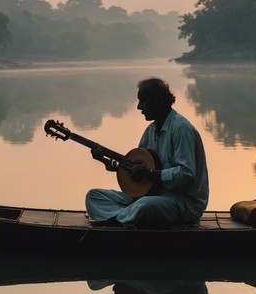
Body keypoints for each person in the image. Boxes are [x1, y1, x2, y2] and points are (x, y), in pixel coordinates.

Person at [85, 77, 209, 228]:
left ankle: (116, 219)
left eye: (143, 101)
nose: (139, 107)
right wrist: (107, 162)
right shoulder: (150, 131)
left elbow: (186, 173)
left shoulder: (181, 128)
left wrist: (149, 173)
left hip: (183, 204)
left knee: (146, 205)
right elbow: (138, 173)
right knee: (94, 196)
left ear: (158, 100)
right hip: (154, 195)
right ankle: (126, 216)